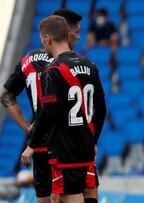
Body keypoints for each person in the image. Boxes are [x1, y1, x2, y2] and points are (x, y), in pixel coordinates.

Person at [21, 15, 106, 203]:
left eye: (43, 40)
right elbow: (101, 110)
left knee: (68, 196)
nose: (43, 44)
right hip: (86, 146)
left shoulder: (52, 70)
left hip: (65, 149)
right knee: (87, 195)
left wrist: (32, 145)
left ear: (47, 39)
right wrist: (93, 141)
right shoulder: (90, 66)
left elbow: (49, 110)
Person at [0, 9, 82, 203]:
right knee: (73, 195)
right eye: (75, 32)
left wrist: (28, 128)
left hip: (39, 140)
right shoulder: (66, 61)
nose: (77, 36)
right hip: (65, 140)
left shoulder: (26, 61)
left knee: (44, 198)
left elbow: (5, 95)